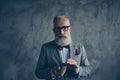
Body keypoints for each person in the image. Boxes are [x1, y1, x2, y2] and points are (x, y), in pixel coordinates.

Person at [35, 16, 91, 80]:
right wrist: (52, 72)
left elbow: (88, 70)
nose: (61, 32)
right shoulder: (46, 48)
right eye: (58, 29)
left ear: (70, 29)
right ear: (54, 31)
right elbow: (38, 72)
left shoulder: (80, 47)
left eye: (65, 28)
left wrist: (77, 69)